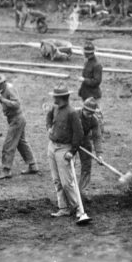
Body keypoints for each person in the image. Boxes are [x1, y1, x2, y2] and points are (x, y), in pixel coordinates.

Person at [46, 84, 84, 219]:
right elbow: (49, 117)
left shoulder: (72, 113)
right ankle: (63, 208)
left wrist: (72, 152)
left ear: (61, 97)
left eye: (55, 96)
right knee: (56, 180)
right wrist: (49, 127)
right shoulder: (55, 108)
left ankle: (78, 208)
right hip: (52, 146)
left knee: (67, 182)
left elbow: (79, 134)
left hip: (64, 149)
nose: (53, 98)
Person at [77, 97, 103, 199]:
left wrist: (99, 154)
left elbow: (97, 137)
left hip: (84, 141)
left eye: (92, 113)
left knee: (86, 166)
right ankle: (70, 192)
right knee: (68, 164)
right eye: (88, 113)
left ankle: (82, 190)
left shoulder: (94, 120)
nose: (90, 116)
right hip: (70, 141)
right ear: (83, 109)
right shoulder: (74, 114)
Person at [78, 41, 104, 132]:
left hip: (93, 95)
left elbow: (97, 81)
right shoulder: (87, 62)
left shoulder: (97, 65)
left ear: (87, 53)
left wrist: (84, 80)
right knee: (86, 113)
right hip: (86, 93)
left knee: (97, 114)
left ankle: (99, 132)